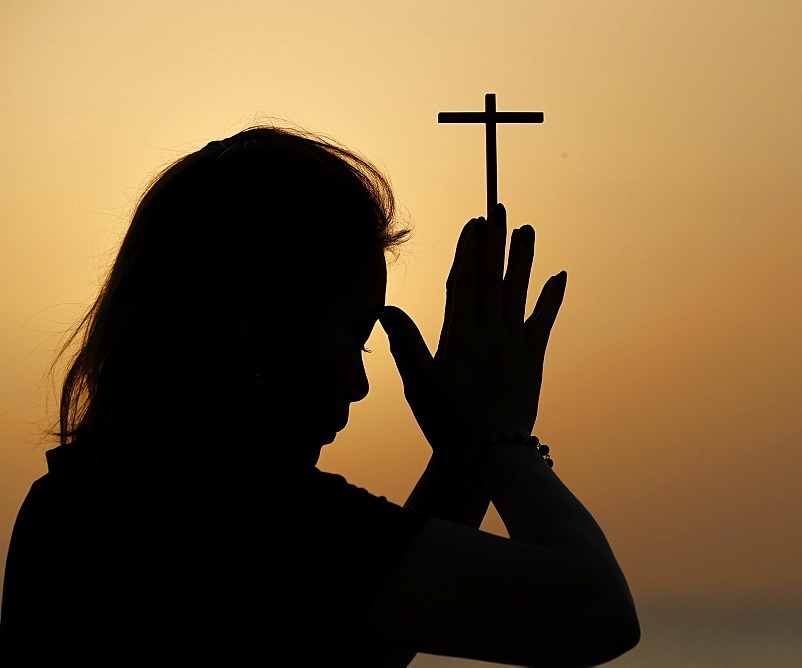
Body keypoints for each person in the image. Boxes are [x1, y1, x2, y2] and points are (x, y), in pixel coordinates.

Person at [0, 126, 639, 665]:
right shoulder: (251, 523)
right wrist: (503, 441)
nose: (361, 384)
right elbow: (593, 611)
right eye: (357, 337)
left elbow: (364, 638)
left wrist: (461, 452)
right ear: (265, 326)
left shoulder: (73, 505)